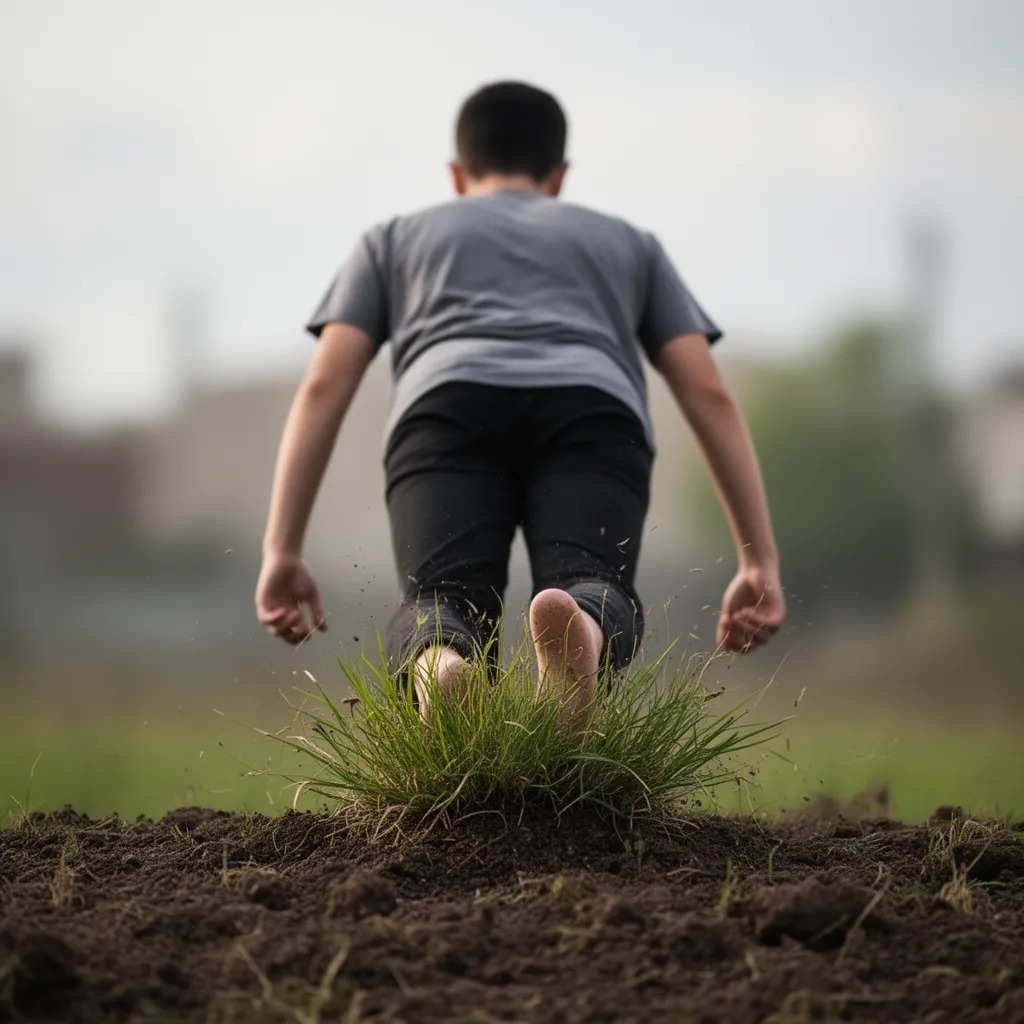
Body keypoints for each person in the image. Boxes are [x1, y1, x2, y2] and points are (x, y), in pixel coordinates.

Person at [255, 81, 785, 727]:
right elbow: (708, 391)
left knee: (437, 602)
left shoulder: (390, 240)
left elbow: (324, 385)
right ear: (559, 176)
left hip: (446, 406)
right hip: (591, 409)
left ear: (456, 173)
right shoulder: (629, 243)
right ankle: (582, 638)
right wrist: (758, 559)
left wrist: (281, 550)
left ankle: (442, 667)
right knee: (593, 583)